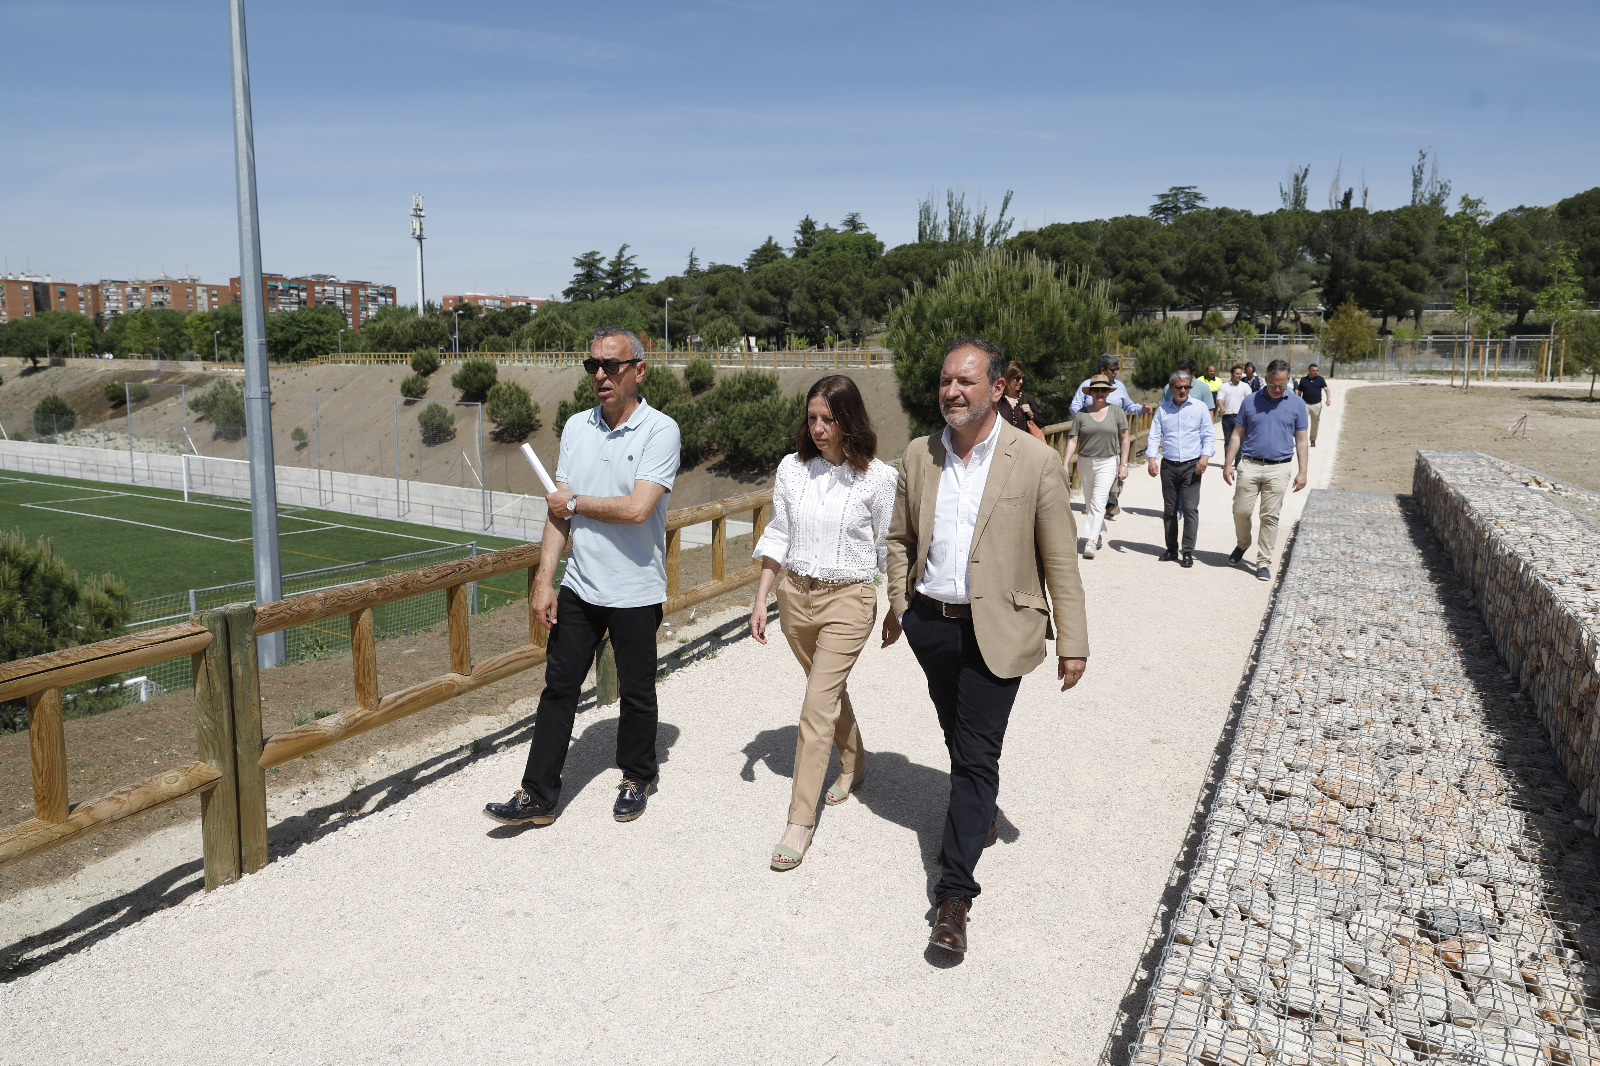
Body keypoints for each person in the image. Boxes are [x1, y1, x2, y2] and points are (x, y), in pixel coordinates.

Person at [883, 337, 1088, 956]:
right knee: (956, 733)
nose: (952, 391)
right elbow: (898, 538)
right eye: (946, 380)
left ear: (997, 389)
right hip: (932, 624)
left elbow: (1060, 557)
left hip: (1000, 627)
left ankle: (954, 895)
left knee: (975, 753)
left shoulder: (1035, 459)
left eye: (966, 382)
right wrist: (902, 606)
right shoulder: (920, 454)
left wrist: (1073, 640)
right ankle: (981, 811)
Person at [484, 326, 681, 827]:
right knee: (559, 687)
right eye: (592, 365)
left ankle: (636, 776)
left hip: (635, 588)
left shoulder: (661, 431)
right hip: (580, 585)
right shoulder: (576, 427)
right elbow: (558, 513)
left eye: (612, 365)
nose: (600, 375)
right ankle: (537, 796)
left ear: (638, 370)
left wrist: (573, 502)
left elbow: (637, 508)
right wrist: (544, 580)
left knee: (637, 691)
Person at [748, 375, 897, 871]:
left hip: (849, 600)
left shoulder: (878, 479)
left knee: (815, 706)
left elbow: (888, 547)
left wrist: (896, 606)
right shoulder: (792, 469)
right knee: (825, 691)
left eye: (828, 419)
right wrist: (761, 597)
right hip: (795, 598)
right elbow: (779, 533)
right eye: (812, 418)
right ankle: (854, 761)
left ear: (848, 421)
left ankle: (799, 821)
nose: (817, 428)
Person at [1224, 359, 1309, 583]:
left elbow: (1301, 440)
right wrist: (1228, 463)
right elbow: (1237, 434)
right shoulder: (1250, 401)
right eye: (1273, 384)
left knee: (1270, 516)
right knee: (1240, 511)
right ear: (1266, 379)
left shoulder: (1297, 404)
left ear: (1288, 380)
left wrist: (1303, 471)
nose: (1277, 389)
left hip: (1279, 467)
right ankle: (1243, 544)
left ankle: (1263, 562)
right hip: (1250, 464)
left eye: (1282, 385)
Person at [1145, 369, 1213, 568]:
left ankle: (1188, 551)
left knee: (1190, 509)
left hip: (1193, 465)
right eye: (1178, 387)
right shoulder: (1163, 410)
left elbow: (1208, 435)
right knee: (1170, 510)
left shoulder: (1200, 408)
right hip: (1169, 465)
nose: (1183, 391)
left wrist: (1205, 457)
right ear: (1171, 388)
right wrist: (1151, 459)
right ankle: (1171, 549)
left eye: (1186, 387)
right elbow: (1154, 435)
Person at [1070, 353, 1150, 517]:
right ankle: (1093, 504)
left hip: (1114, 436)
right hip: (1092, 437)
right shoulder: (1087, 385)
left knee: (1114, 466)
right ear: (1102, 370)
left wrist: (1141, 409)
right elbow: (1074, 406)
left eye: (1117, 369)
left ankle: (1111, 502)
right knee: (1093, 470)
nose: (1116, 372)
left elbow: (1128, 406)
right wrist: (1088, 417)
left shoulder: (1119, 386)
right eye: (1113, 369)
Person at [1061, 374, 1129, 559]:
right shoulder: (1081, 414)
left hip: (1108, 462)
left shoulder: (1116, 412)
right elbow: (1073, 440)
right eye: (1096, 389)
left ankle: (1089, 542)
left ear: (1108, 392)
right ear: (1090, 392)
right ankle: (1096, 534)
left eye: (1104, 389)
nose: (1100, 392)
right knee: (1091, 502)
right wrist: (1065, 463)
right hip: (1085, 462)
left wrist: (1124, 464)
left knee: (1099, 502)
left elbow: (1125, 439)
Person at [997, 361, 1047, 442]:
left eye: (1023, 378)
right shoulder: (997, 398)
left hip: (1022, 445)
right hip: (1002, 444)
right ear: (1008, 377)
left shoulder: (1026, 398)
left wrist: (1031, 414)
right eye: (1017, 378)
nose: (1021, 382)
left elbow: (1041, 423)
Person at [1216, 364, 1251, 457]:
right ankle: (1228, 461)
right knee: (1228, 441)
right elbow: (1219, 398)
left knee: (1240, 440)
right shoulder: (1224, 386)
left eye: (1240, 374)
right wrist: (1221, 406)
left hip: (1241, 418)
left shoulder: (1245, 387)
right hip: (1227, 418)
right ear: (1231, 374)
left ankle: (1238, 461)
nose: (1239, 376)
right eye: (1237, 374)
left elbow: (1250, 401)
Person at [1294, 362, 1332, 447]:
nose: (1316, 372)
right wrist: (1297, 402)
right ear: (1309, 371)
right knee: (1302, 422)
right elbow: (1299, 392)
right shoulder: (1303, 380)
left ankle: (1313, 440)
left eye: (1317, 370)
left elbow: (1326, 390)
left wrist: (1328, 399)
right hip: (1305, 404)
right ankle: (1301, 440)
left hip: (1316, 405)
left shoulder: (1320, 379)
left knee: (1315, 423)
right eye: (1314, 370)